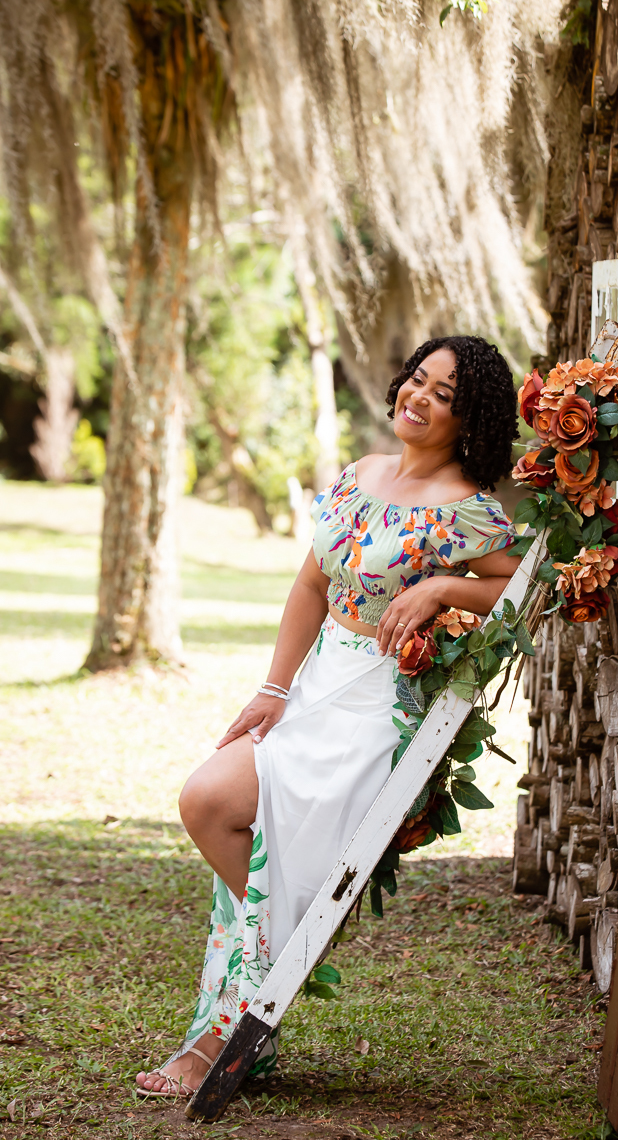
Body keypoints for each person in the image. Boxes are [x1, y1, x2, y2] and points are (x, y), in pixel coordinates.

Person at [135, 335, 521, 1097]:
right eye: (419, 378)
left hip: (375, 708)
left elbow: (513, 593)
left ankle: (223, 1032)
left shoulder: (469, 512)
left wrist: (442, 590)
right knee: (217, 807)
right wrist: (274, 691)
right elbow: (311, 586)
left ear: (469, 415)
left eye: (444, 392)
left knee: (228, 816)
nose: (420, 395)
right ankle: (276, 966)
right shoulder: (360, 475)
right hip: (314, 686)